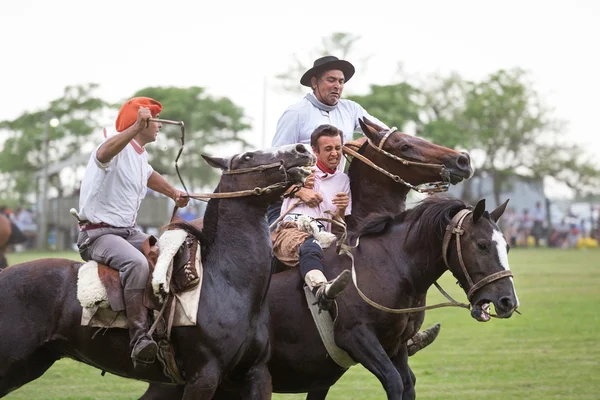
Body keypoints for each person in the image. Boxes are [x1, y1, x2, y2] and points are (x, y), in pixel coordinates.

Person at [76, 97, 189, 367]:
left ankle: (166, 326)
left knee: (174, 251)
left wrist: (173, 192)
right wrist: (134, 126)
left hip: (127, 232)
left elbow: (149, 175)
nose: (160, 125)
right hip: (98, 236)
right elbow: (103, 154)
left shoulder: (140, 154)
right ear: (142, 122)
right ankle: (139, 339)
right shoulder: (114, 144)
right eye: (155, 119)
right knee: (137, 263)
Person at [267, 55, 389, 227]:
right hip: (292, 201)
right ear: (314, 82)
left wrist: (360, 144)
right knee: (293, 248)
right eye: (331, 80)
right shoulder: (296, 113)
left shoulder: (351, 109)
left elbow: (384, 134)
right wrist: (299, 191)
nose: (337, 86)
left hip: (333, 201)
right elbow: (275, 164)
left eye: (341, 81)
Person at [271, 124, 352, 311]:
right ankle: (320, 289)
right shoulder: (299, 169)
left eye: (338, 148)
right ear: (315, 151)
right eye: (328, 149)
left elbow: (339, 228)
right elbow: (273, 190)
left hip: (327, 237)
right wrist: (298, 189)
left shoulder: (343, 180)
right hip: (292, 231)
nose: (335, 154)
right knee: (310, 245)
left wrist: (340, 210)